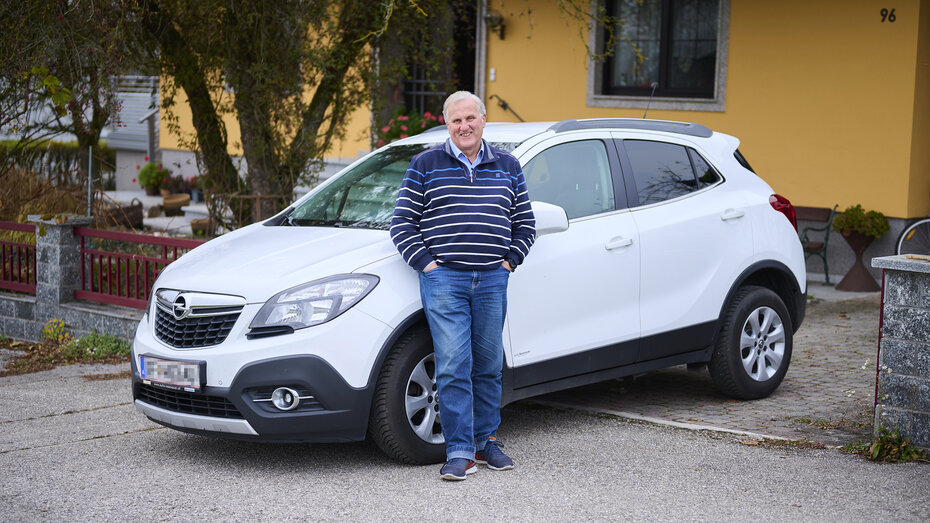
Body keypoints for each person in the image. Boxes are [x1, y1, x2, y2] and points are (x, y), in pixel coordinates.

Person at [390, 91, 536, 481]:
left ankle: (486, 441)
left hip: (492, 278)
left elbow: (525, 224)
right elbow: (402, 223)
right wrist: (430, 266)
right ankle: (459, 451)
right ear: (447, 124)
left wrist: (508, 263)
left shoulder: (507, 165)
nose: (464, 126)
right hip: (445, 280)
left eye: (470, 118)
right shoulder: (425, 165)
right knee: (454, 366)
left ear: (484, 120)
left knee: (488, 366)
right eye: (456, 121)